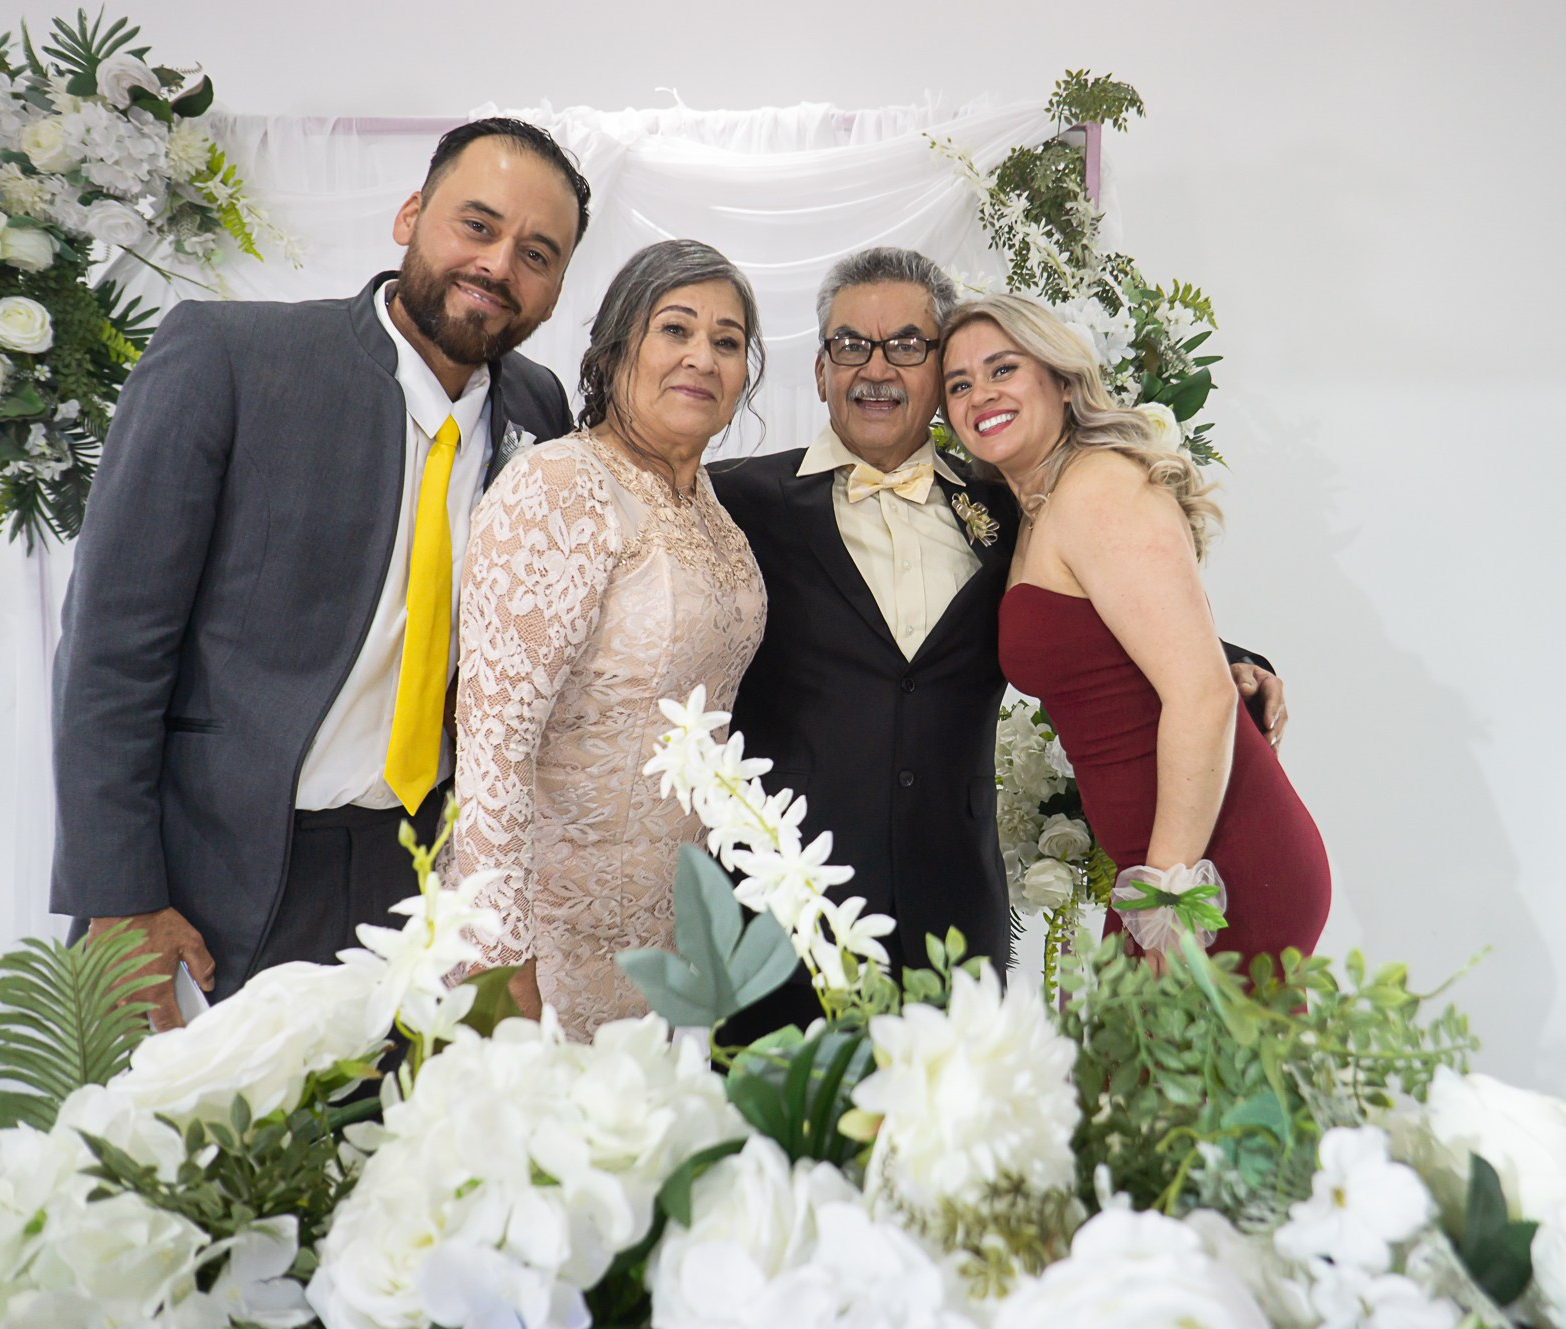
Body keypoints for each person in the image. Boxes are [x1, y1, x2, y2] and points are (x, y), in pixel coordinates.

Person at [51, 118, 590, 1026]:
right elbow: (110, 649)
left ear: (557, 286)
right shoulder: (227, 359)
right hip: (221, 881)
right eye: (478, 225)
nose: (499, 265)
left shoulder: (540, 408)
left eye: (536, 252)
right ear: (410, 215)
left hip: (422, 879)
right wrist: (122, 896)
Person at [713, 249, 1287, 1036]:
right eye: (852, 344)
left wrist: (1231, 662)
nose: (877, 369)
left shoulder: (1011, 503)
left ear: (936, 377)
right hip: (782, 926)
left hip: (954, 923)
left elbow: (1110, 601)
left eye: (908, 345)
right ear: (819, 370)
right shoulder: (731, 501)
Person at [941, 293, 1329, 971]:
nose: (981, 395)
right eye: (960, 384)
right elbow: (1123, 647)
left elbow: (1201, 696)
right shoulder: (1036, 506)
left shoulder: (1099, 488)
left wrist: (1169, 904)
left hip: (1213, 869)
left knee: (1182, 1076)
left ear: (1062, 381)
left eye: (1003, 369)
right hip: (1156, 865)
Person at [448, 240, 767, 1037]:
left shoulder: (714, 514)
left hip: (671, 944)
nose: (703, 357)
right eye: (676, 329)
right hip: (547, 947)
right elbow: (493, 741)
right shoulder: (561, 485)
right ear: (616, 349)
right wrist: (500, 956)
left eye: (727, 342)